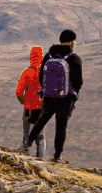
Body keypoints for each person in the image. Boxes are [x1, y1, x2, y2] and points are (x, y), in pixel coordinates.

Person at [25, 28, 83, 162]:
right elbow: (79, 81)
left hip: (49, 96)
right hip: (66, 99)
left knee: (41, 121)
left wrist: (47, 91)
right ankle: (56, 156)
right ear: (71, 42)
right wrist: (73, 94)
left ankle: (26, 144)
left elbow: (41, 77)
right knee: (61, 127)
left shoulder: (48, 56)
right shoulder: (74, 58)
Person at [15, 45, 45, 158]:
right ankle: (40, 160)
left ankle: (25, 153)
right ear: (41, 57)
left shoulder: (26, 72)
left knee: (27, 135)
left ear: (31, 57)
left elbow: (18, 92)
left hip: (29, 108)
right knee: (41, 138)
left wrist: (24, 101)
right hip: (42, 109)